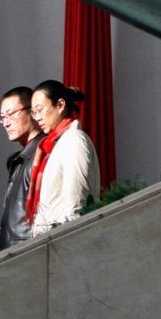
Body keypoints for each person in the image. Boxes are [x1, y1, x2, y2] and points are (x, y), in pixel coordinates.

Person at [26, 80, 101, 237]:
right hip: (48, 243)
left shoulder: (74, 141)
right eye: (33, 112)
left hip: (64, 244)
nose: (37, 118)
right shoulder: (52, 146)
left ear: (60, 105)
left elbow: (78, 204)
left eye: (40, 110)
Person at [0, 86, 42, 251]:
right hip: (13, 253)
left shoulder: (44, 151)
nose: (6, 123)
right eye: (2, 117)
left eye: (12, 114)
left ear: (33, 112)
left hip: (27, 252)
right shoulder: (17, 159)